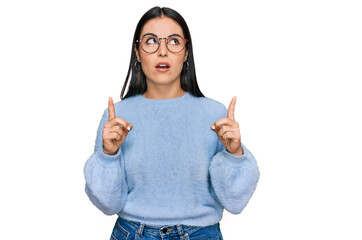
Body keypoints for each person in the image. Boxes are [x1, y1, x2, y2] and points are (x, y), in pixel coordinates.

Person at [84, 6, 260, 240]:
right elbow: (107, 204)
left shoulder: (215, 116)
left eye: (174, 42)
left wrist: (235, 153)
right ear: (137, 52)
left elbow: (235, 202)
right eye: (151, 41)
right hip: (132, 234)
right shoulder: (118, 118)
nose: (162, 52)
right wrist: (108, 155)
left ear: (186, 52)